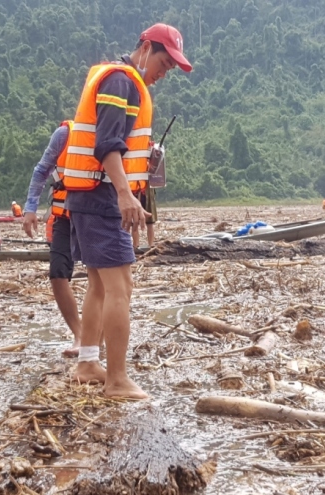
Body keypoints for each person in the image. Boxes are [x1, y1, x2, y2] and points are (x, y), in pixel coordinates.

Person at [62, 23, 191, 399]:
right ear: (146, 48)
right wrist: (124, 194)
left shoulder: (125, 82)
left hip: (92, 196)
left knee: (100, 284)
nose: (164, 74)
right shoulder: (121, 82)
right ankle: (117, 380)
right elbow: (107, 145)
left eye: (169, 69)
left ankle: (88, 363)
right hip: (102, 197)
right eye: (164, 63)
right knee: (121, 286)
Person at [22, 121, 83, 357]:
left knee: (102, 277)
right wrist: (30, 208)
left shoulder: (110, 128)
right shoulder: (65, 134)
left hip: (95, 216)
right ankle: (79, 333)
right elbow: (42, 170)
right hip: (65, 216)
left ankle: (96, 336)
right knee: (58, 272)